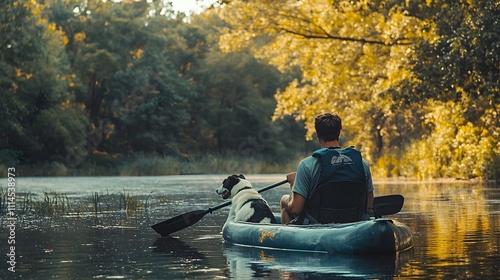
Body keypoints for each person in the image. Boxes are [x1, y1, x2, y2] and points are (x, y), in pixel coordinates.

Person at [280, 113, 374, 224]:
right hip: (353, 223)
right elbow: (368, 207)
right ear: (339, 132)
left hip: (318, 224)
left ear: (317, 133)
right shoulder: (363, 164)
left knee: (284, 201)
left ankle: (292, 239)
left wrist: (294, 185)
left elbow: (296, 209)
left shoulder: (306, 165)